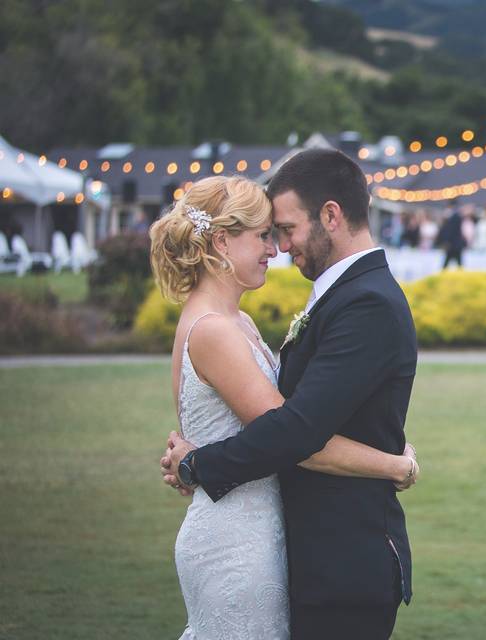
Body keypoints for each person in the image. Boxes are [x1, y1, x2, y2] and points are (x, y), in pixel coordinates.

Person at [162, 151, 419, 639]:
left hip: (343, 561)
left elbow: (295, 429)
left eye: (283, 229)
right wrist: (392, 464)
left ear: (331, 215)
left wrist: (202, 463)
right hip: (282, 550)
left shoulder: (365, 302)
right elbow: (291, 425)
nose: (279, 248)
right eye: (265, 234)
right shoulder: (335, 296)